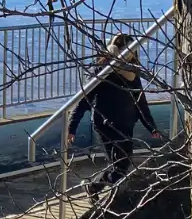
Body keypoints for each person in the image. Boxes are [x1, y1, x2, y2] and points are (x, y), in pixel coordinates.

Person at [67, 33, 164, 195]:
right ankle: (109, 194)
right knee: (118, 164)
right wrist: (72, 126)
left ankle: (94, 187)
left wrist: (151, 126)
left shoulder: (132, 74)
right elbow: (84, 100)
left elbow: (140, 101)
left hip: (125, 122)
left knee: (122, 163)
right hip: (104, 123)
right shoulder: (100, 72)